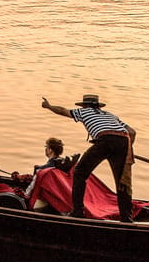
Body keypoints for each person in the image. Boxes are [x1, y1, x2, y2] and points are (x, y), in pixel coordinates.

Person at [41, 94, 136, 222]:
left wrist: (49, 106)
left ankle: (78, 212)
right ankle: (126, 218)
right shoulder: (110, 115)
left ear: (85, 105)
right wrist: (127, 149)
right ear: (98, 106)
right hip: (124, 141)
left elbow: (63, 111)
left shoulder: (83, 111)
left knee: (79, 172)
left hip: (104, 140)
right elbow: (131, 132)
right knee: (122, 183)